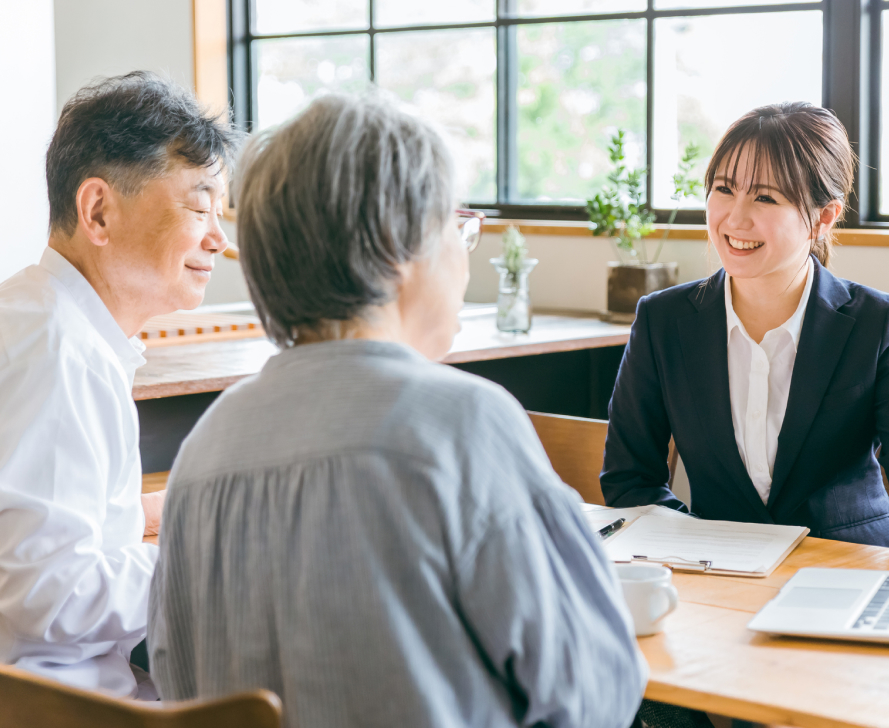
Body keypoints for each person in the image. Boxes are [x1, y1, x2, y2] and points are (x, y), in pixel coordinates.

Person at [147, 92, 647, 728]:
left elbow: (176, 679)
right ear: (396, 244)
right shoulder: (462, 423)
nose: (463, 257)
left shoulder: (205, 450)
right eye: (456, 228)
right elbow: (594, 688)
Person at [601, 102, 889, 549]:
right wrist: (701, 543)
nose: (735, 217)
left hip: (852, 569)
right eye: (724, 189)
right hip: (722, 575)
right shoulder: (663, 320)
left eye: (765, 197)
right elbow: (630, 480)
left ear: (824, 217)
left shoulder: (878, 322)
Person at [0, 71, 237, 698]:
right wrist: (208, 554)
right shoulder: (59, 351)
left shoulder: (36, 315)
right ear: (98, 210)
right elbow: (49, 595)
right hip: (61, 706)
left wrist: (148, 517)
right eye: (200, 205)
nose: (219, 237)